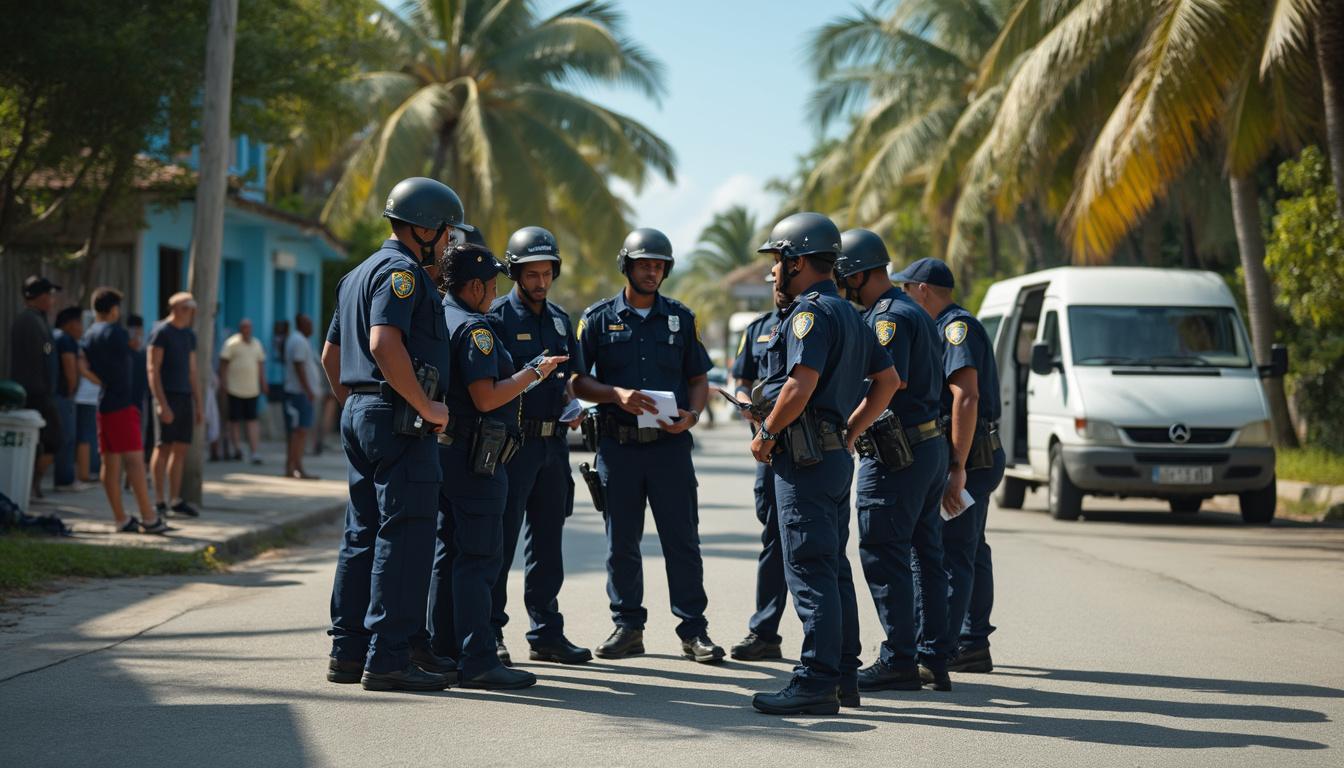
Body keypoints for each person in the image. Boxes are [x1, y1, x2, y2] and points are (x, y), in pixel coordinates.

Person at [748, 213, 897, 716]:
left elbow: (799, 385)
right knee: (833, 569)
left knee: (811, 570)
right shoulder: (853, 313)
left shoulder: (810, 313)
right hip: (833, 457)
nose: (773, 273)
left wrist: (767, 434)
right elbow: (889, 381)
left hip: (805, 460)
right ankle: (842, 677)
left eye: (777, 261)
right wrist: (851, 432)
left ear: (797, 260)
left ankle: (815, 681)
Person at [321, 176, 463, 692]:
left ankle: (347, 652)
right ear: (425, 228)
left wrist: (358, 405)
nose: (449, 244)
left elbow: (331, 356)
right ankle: (387, 658)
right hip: (399, 418)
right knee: (405, 534)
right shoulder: (403, 274)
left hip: (363, 411)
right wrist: (423, 404)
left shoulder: (357, 273)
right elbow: (384, 343)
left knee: (361, 533)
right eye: (447, 233)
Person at [572, 227, 725, 665]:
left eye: (659, 265)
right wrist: (614, 395)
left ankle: (694, 631)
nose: (652, 271)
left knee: (682, 541)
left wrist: (692, 416)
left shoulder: (682, 317)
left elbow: (698, 379)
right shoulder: (598, 318)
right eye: (645, 264)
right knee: (621, 542)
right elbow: (578, 379)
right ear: (627, 267)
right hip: (617, 449)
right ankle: (628, 627)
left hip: (670, 447)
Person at [426, 241, 566, 690]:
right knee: (480, 558)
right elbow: (487, 396)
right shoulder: (476, 329)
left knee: (449, 555)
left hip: (448, 453)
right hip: (475, 458)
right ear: (474, 286)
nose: (493, 295)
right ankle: (479, 659)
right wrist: (533, 373)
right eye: (490, 287)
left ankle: (444, 648)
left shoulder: (439, 315)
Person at [834, 230, 952, 693]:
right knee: (924, 555)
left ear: (859, 272)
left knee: (884, 553)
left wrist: (848, 429)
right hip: (927, 448)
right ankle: (930, 658)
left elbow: (889, 383)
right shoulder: (912, 312)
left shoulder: (888, 318)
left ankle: (900, 658)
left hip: (897, 454)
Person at [487, 226, 590, 666]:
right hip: (513, 446)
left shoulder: (560, 320)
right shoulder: (495, 318)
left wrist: (575, 402)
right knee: (501, 542)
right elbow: (487, 383)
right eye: (532, 274)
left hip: (554, 449)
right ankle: (490, 632)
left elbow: (573, 379)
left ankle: (546, 631)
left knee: (548, 544)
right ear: (514, 272)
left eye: (547, 273)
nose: (541, 282)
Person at [898, 257, 1006, 675]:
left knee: (951, 552)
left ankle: (944, 648)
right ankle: (972, 640)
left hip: (971, 454)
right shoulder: (947, 325)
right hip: (974, 452)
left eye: (908, 291)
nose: (905, 299)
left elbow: (966, 397)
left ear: (922, 290)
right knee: (971, 548)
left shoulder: (954, 328)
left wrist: (957, 465)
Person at [728, 275, 794, 662]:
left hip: (811, 446)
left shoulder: (818, 318)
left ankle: (831, 645)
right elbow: (742, 378)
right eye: (773, 276)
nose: (778, 281)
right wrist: (744, 404)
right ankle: (765, 631)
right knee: (774, 536)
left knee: (817, 547)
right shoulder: (758, 329)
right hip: (770, 448)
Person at [82, 288, 165, 534]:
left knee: (110, 461)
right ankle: (149, 518)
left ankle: (120, 518)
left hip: (105, 403)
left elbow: (85, 366)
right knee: (135, 461)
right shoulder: (114, 332)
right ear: (114, 309)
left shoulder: (89, 335)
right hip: (123, 405)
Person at [147, 291, 202, 519]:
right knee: (163, 447)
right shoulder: (161, 332)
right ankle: (159, 500)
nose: (191, 313)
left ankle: (175, 499)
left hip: (184, 396)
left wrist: (198, 404)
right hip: (166, 395)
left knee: (181, 448)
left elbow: (192, 370)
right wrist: (161, 403)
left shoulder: (189, 335)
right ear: (177, 309)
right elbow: (153, 369)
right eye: (188, 308)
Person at [10, 276, 62, 498]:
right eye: (49, 295)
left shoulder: (39, 321)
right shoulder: (29, 321)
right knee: (52, 439)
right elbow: (44, 352)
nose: (52, 300)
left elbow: (48, 349)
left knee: (46, 440)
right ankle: (31, 485)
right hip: (35, 392)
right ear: (40, 297)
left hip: (40, 390)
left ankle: (33, 485)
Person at [219, 318, 267, 464]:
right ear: (240, 329)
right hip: (234, 389)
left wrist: (263, 383)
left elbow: (260, 366)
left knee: (252, 421)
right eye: (244, 327)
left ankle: (254, 452)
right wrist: (224, 383)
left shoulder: (257, 344)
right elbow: (223, 364)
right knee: (234, 421)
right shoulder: (231, 344)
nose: (247, 329)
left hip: (252, 389)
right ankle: (237, 450)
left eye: (249, 327)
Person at [52, 306, 85, 490]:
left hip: (50, 394)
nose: (81, 328)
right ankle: (65, 479)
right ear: (71, 324)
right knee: (67, 436)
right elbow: (69, 367)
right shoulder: (66, 340)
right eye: (79, 323)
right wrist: (72, 389)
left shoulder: (52, 337)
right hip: (63, 394)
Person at [283, 314, 318, 479]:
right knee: (298, 431)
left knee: (300, 431)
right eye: (309, 323)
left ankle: (294, 466)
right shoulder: (298, 340)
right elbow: (299, 366)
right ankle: (295, 467)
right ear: (301, 324)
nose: (312, 327)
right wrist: (308, 389)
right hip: (298, 394)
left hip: (301, 393)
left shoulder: (301, 340)